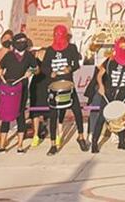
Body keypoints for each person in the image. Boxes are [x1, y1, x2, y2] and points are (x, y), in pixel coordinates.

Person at [40, 24, 88, 155]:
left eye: (60, 35)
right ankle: (53, 144)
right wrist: (50, 73)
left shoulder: (71, 48)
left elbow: (76, 64)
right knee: (53, 114)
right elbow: (44, 67)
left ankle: (81, 137)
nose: (58, 37)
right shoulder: (50, 50)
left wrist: (70, 69)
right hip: (54, 86)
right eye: (56, 35)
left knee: (77, 111)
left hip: (68, 85)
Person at [90, 37, 125, 153]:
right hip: (109, 92)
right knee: (102, 117)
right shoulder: (110, 61)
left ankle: (122, 142)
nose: (123, 49)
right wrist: (101, 86)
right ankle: (94, 142)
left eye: (124, 47)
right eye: (120, 46)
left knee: (121, 116)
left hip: (123, 93)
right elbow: (99, 75)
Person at [0, 33, 37, 154]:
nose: (22, 43)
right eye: (20, 41)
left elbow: (36, 68)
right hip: (8, 87)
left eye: (24, 41)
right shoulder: (9, 55)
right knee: (6, 115)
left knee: (20, 115)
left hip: (21, 87)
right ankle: (2, 145)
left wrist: (31, 72)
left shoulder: (28, 56)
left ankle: (20, 146)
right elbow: (0, 67)